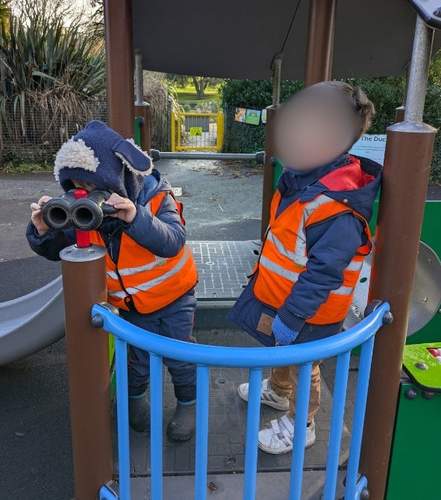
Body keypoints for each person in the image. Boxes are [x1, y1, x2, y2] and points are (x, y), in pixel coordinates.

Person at [228, 81, 382, 455]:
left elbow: (324, 272)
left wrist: (294, 315)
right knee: (283, 351)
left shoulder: (337, 204)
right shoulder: (303, 179)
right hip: (285, 297)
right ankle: (279, 393)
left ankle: (303, 424)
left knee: (303, 363)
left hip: (309, 310)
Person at [27, 120, 198, 441]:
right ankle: (136, 401)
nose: (86, 196)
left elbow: (173, 240)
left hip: (176, 298)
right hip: (133, 306)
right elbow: (55, 250)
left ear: (116, 178)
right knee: (137, 361)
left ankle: (187, 404)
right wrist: (42, 230)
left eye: (93, 187)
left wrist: (136, 216)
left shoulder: (158, 198)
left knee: (180, 356)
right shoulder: (88, 217)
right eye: (75, 187)